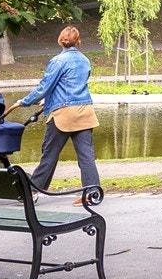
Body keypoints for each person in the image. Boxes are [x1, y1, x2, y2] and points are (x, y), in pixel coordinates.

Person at [18, 25, 101, 201]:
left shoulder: (57, 61)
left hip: (64, 114)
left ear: (60, 40)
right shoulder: (85, 60)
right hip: (85, 112)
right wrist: (48, 100)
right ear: (78, 41)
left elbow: (44, 87)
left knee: (49, 154)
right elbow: (73, 86)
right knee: (86, 157)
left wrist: (24, 102)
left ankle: (33, 191)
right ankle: (92, 193)